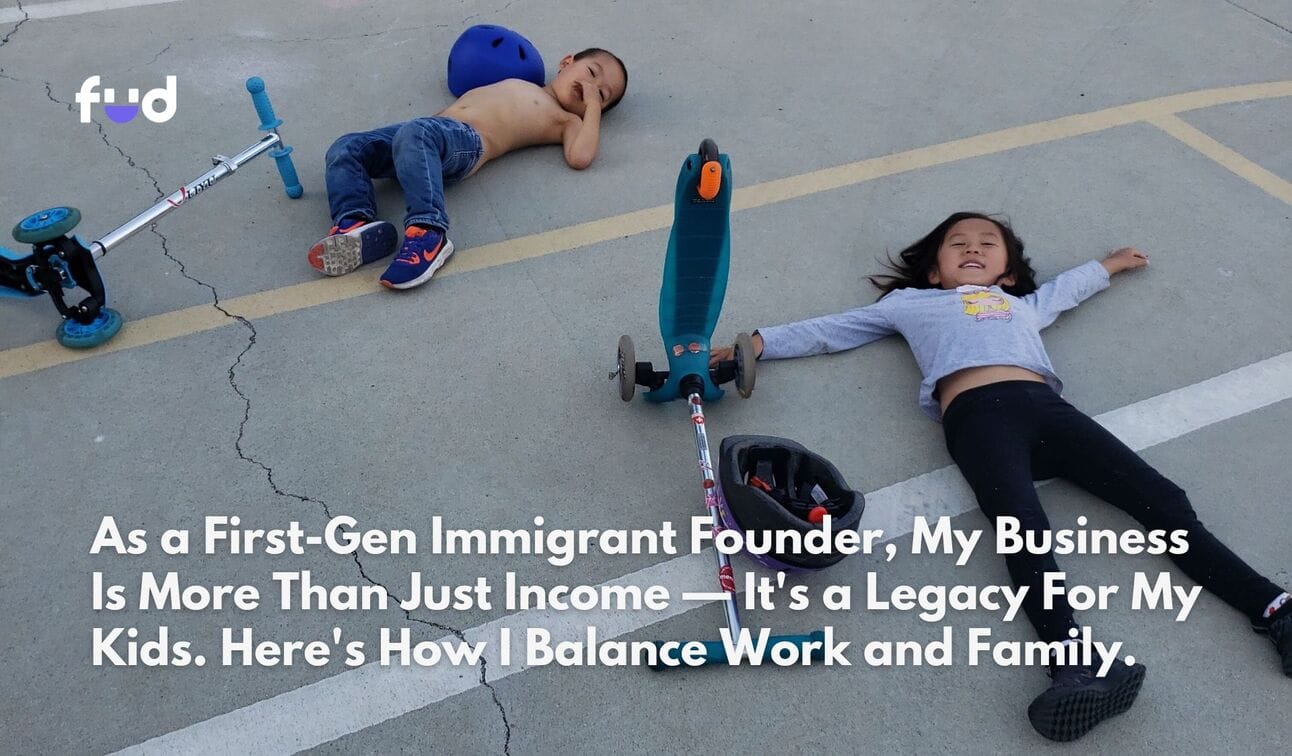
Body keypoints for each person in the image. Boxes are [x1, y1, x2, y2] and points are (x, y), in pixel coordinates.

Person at [712, 212, 1291, 741]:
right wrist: (760, 342)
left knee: (1163, 500)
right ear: (934, 272)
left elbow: (1065, 291)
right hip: (978, 419)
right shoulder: (910, 304)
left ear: (1008, 273)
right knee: (1022, 528)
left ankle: (1274, 609)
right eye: (957, 244)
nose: (973, 249)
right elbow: (838, 327)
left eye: (988, 244)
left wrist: (1109, 265)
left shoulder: (1021, 305)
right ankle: (1077, 665)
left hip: (1048, 411)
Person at [309, 47, 627, 289]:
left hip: (466, 143)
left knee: (417, 131)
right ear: (567, 62)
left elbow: (580, 156)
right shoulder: (522, 80)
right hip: (424, 135)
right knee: (347, 147)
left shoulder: (566, 120)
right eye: (592, 72)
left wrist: (591, 110)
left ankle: (428, 234)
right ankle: (354, 223)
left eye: (601, 94)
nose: (591, 87)